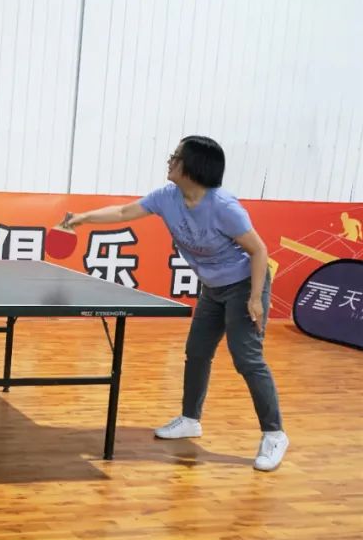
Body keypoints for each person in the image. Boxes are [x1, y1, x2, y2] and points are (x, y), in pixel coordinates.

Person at [61, 135, 288, 471]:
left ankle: (274, 434)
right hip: (212, 288)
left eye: (176, 156)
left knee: (247, 359)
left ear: (194, 166)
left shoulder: (224, 207)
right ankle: (190, 419)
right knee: (197, 352)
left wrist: (255, 298)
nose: (170, 160)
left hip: (243, 286)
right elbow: (124, 211)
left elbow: (259, 250)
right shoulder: (167, 197)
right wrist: (83, 217)